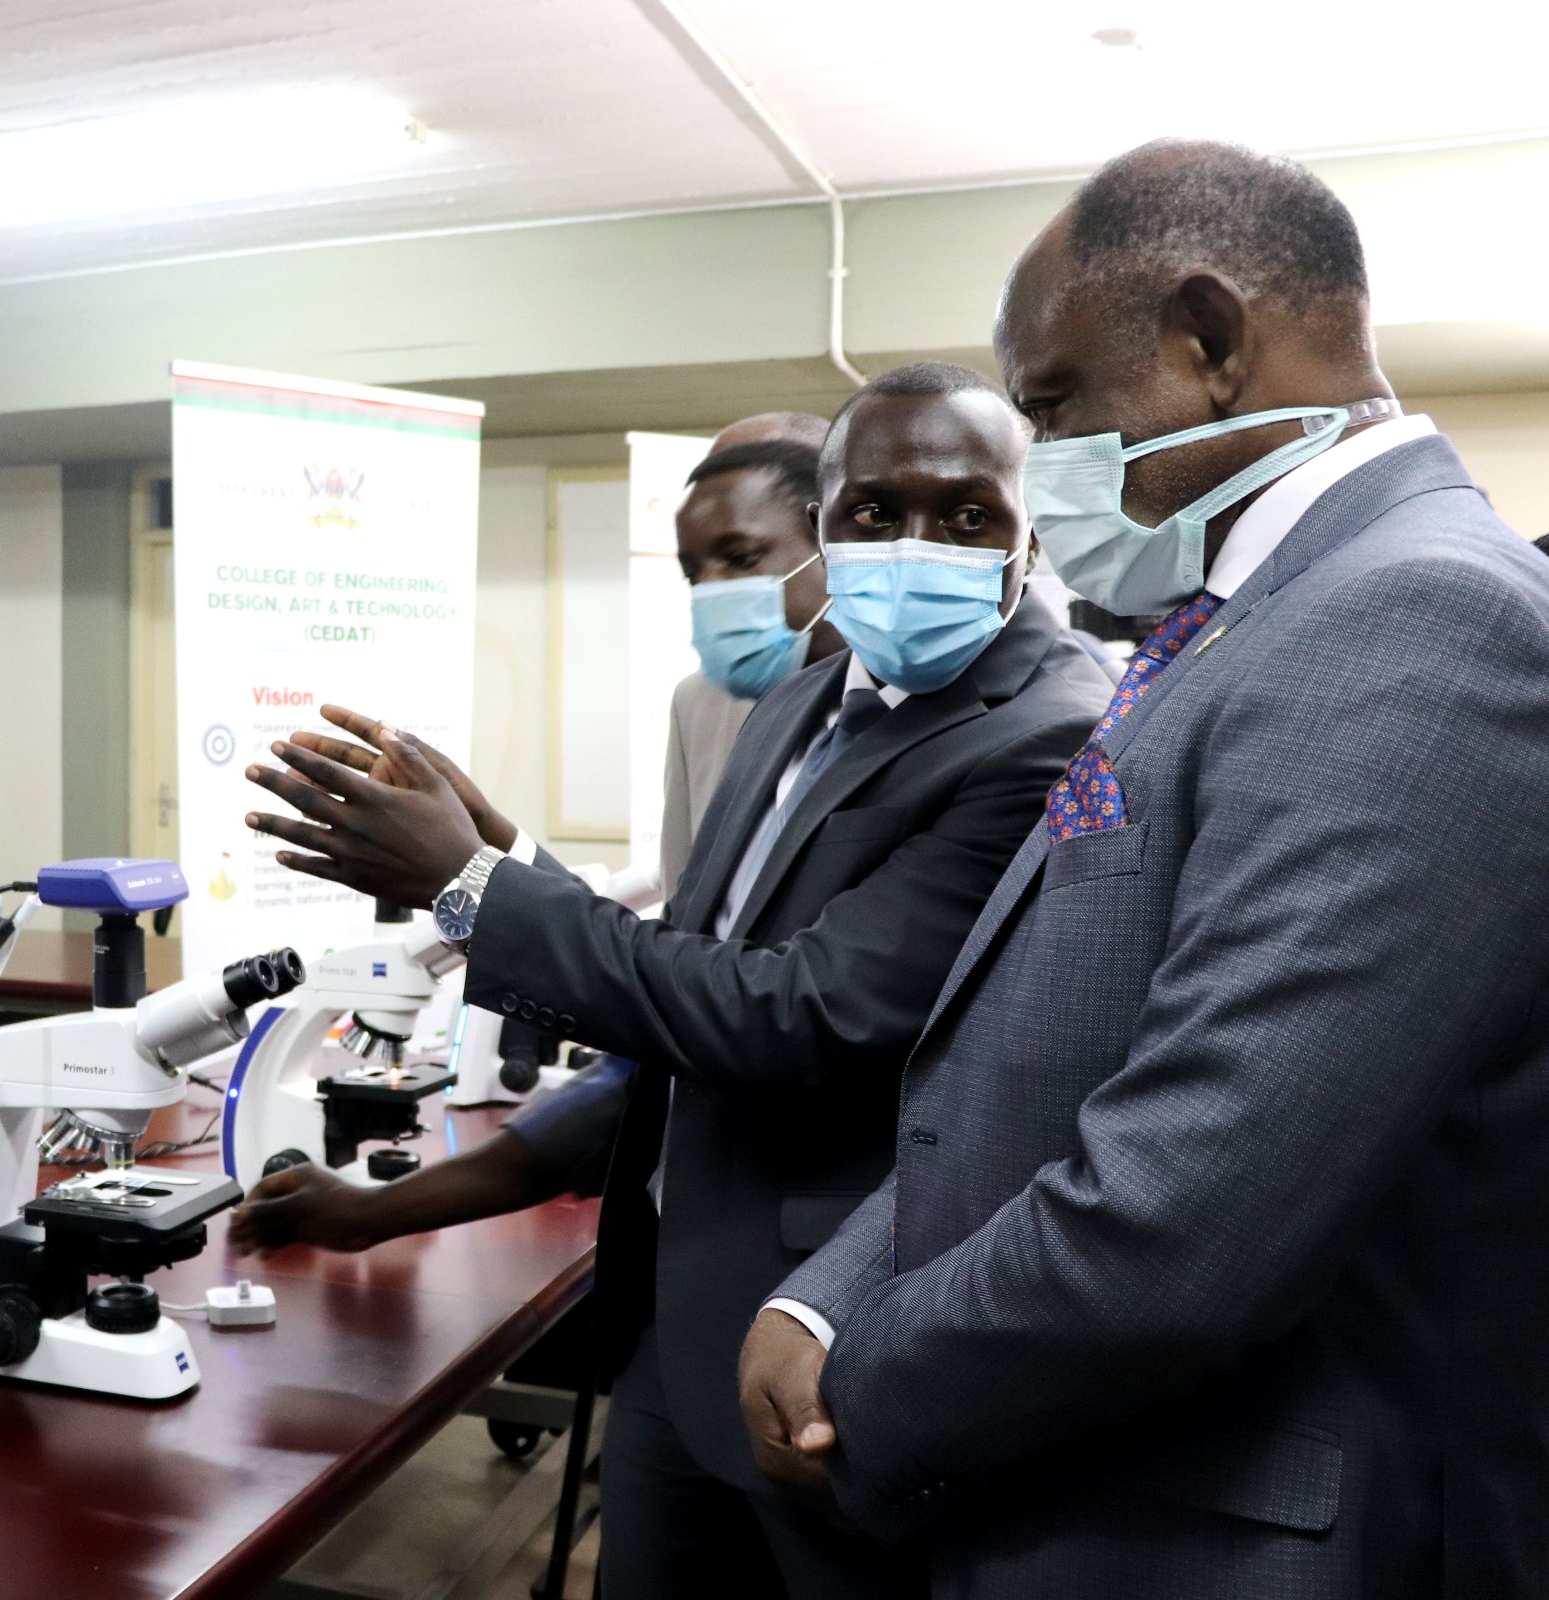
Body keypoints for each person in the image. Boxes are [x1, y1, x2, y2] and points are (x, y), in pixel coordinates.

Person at [740, 140, 1549, 1595]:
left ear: (1211, 341)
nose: (1043, 467)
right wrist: (831, 1297)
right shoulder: (1248, 617)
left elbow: (1186, 1209)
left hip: (1215, 1524)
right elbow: (1038, 1046)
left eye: (1053, 406)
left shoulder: (1419, 618)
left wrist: (867, 1395)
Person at [232, 365, 1110, 1598]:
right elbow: (689, 986)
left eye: (967, 515)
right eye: (874, 510)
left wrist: (474, 889)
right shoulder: (802, 696)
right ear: (827, 530)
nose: (916, 545)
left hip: (833, 1341)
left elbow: (796, 1016)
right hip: (675, 1322)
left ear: (1030, 528)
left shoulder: (1050, 732)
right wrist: (496, 865)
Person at [662, 411, 838, 894]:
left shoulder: (911, 691)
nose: (712, 589)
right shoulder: (698, 703)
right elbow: (682, 899)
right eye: (694, 572)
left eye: (740, 558)